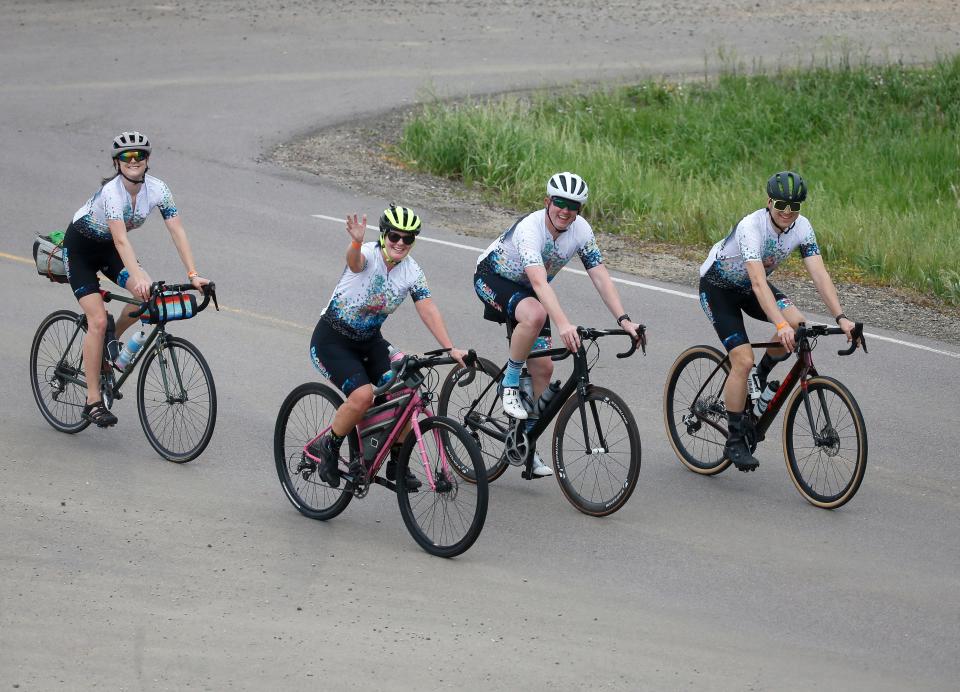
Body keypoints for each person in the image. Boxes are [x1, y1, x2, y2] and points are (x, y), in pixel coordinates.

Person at [473, 172, 644, 477]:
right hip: (493, 278)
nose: (566, 210)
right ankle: (510, 383)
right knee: (536, 314)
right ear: (547, 202)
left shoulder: (581, 231)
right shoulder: (531, 229)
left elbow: (600, 276)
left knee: (545, 369)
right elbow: (539, 282)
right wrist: (564, 325)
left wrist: (624, 319)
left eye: (574, 205)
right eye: (560, 202)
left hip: (529, 292)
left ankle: (525, 444)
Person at [698, 170, 857, 472]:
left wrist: (842, 317)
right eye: (781, 204)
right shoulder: (751, 227)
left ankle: (761, 375)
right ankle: (734, 441)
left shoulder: (802, 227)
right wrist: (779, 325)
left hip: (750, 288)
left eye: (794, 206)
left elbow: (820, 275)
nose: (787, 212)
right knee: (742, 360)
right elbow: (759, 284)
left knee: (800, 327)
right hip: (719, 289)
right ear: (769, 202)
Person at [308, 204, 468, 488]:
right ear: (383, 235)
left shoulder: (412, 271)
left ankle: (397, 461)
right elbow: (354, 262)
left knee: (408, 386)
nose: (400, 243)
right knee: (362, 396)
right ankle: (329, 446)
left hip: (370, 342)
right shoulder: (368, 254)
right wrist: (356, 241)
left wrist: (450, 348)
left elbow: (428, 308)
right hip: (332, 340)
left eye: (408, 239)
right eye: (395, 236)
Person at [62, 131, 210, 428]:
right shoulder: (112, 193)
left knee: (149, 297)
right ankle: (92, 401)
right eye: (126, 157)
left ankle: (111, 342)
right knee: (98, 320)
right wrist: (137, 277)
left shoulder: (158, 190)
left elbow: (177, 231)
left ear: (147, 160)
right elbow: (120, 240)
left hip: (111, 251)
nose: (133, 161)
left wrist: (193, 275)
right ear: (117, 163)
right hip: (80, 251)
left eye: (139, 156)